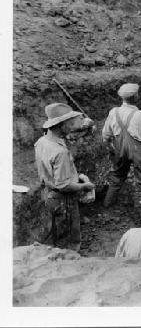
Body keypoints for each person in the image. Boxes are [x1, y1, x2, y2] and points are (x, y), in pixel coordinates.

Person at [34, 103, 95, 251]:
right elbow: (63, 185)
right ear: (60, 124)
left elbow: (54, 173)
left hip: (49, 194)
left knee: (58, 233)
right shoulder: (60, 152)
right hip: (64, 200)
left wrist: (75, 175)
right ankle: (70, 264)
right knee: (69, 242)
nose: (73, 126)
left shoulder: (42, 141)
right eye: (70, 123)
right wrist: (85, 186)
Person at [102, 83, 141, 208]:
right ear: (136, 97)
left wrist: (110, 147)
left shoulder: (113, 112)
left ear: (122, 98)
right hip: (138, 150)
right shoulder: (140, 115)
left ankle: (107, 204)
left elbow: (106, 134)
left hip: (119, 149)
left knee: (117, 176)